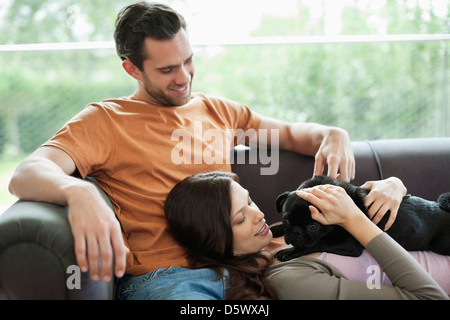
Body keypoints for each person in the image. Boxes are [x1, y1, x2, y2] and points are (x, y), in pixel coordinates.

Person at [8, 2, 354, 299]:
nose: (184, 77)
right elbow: (27, 172)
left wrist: (333, 133)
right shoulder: (106, 121)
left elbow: (292, 134)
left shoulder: (217, 111)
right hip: (167, 280)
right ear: (132, 68)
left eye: (188, 61)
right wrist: (76, 191)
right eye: (166, 69)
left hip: (243, 270)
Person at [164, 171, 449, 300]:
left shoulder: (281, 229)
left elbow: (397, 214)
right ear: (221, 244)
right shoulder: (290, 281)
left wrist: (394, 186)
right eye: (240, 218)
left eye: (249, 201)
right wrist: (356, 220)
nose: (259, 215)